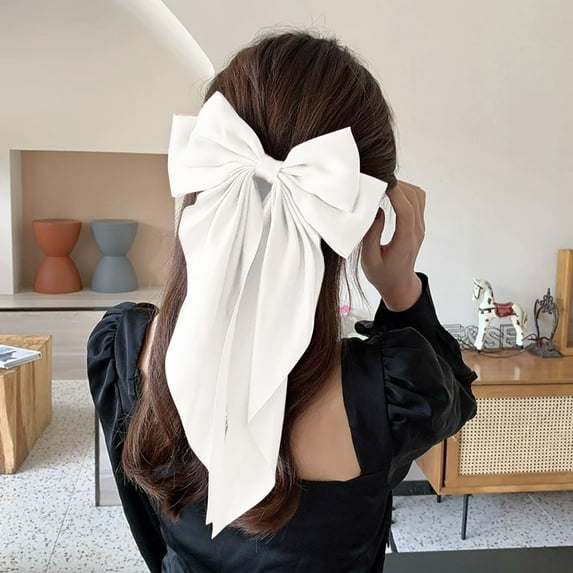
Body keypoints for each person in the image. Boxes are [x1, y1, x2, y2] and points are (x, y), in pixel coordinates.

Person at [88, 31, 477, 572]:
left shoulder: (125, 347)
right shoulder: (394, 390)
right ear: (361, 212)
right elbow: (455, 395)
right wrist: (400, 287)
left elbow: (147, 528)